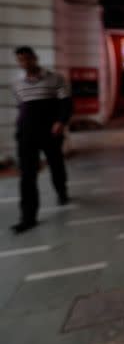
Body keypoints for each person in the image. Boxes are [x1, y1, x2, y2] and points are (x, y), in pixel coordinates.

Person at [11, 46, 72, 233]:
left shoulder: (55, 78)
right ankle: (28, 217)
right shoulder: (17, 83)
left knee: (56, 164)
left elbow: (66, 103)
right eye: (21, 60)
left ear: (35, 58)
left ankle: (61, 191)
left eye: (28, 59)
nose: (25, 63)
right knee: (27, 176)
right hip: (26, 135)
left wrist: (60, 122)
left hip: (50, 132)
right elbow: (21, 108)